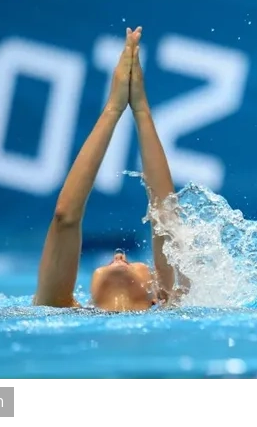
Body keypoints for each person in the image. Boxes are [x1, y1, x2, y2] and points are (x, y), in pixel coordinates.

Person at [33, 27, 190, 312]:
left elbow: (164, 216)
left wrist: (141, 110)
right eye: (129, 258)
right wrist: (113, 109)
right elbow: (64, 216)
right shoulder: (57, 309)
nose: (119, 256)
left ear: (157, 295)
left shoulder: (173, 309)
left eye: (125, 258)